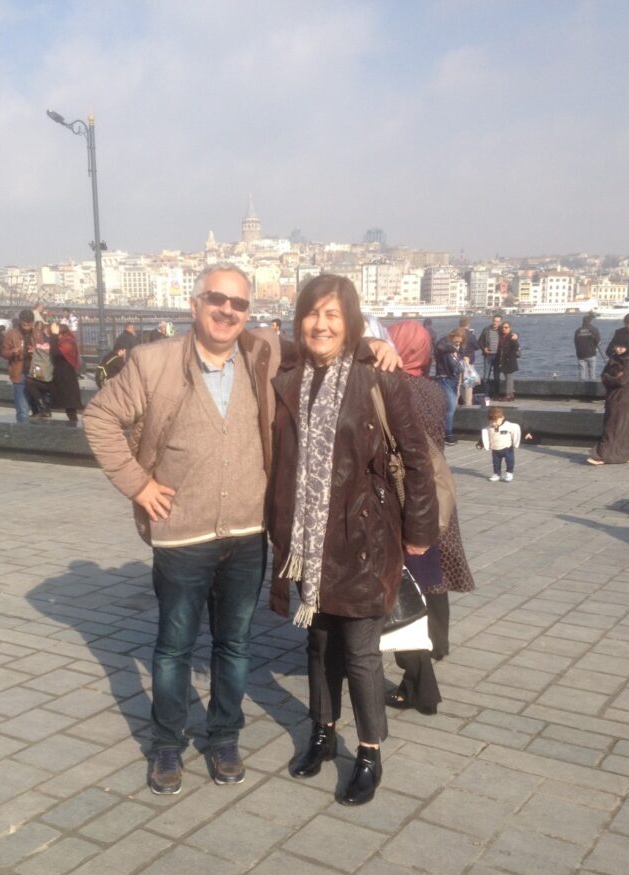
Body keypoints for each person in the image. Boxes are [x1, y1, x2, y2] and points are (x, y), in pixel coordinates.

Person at [83, 263, 400, 796]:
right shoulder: (151, 361)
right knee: (173, 647)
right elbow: (98, 418)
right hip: (181, 535)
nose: (228, 311)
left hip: (249, 533)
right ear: (194, 304)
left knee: (234, 645)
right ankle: (167, 745)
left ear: (248, 314)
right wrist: (138, 485)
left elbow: (327, 345)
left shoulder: (262, 353)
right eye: (217, 300)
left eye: (239, 304)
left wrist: (374, 346)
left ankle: (224, 737)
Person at [268, 275, 438, 806]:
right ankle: (322, 730)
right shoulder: (288, 375)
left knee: (362, 651)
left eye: (334, 316)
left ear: (352, 322)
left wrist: (419, 532)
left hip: (362, 535)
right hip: (307, 540)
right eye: (312, 314)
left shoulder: (378, 378)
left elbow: (416, 456)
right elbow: (253, 342)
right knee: (318, 641)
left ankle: (368, 751)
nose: (321, 325)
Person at [385, 320, 475, 710]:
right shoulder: (435, 391)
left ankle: (420, 683)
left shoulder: (393, 389)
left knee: (408, 586)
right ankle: (437, 645)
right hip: (438, 498)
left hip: (408, 499)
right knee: (432, 582)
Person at [587, 340, 629, 466]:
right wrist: (613, 377)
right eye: (617, 346)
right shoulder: (614, 358)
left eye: (622, 346)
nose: (619, 349)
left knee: (612, 425)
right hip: (612, 396)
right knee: (622, 425)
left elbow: (623, 380)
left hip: (624, 398)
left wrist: (610, 378)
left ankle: (601, 454)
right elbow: (603, 376)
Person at [1, 308, 34, 422]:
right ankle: (22, 433)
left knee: (34, 409)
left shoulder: (37, 334)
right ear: (20, 322)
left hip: (35, 374)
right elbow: (4, 352)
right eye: (24, 324)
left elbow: (46, 350)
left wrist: (36, 351)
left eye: (29, 325)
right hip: (19, 373)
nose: (26, 327)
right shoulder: (11, 334)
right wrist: (12, 352)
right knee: (22, 410)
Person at [434, 326, 465, 444]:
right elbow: (439, 347)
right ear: (453, 336)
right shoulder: (444, 342)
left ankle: (441, 431)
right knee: (451, 406)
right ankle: (448, 433)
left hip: (454, 379)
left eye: (461, 339)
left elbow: (459, 358)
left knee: (447, 406)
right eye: (457, 339)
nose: (459, 342)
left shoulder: (459, 346)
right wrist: (452, 347)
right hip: (444, 377)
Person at [478, 406, 521, 481]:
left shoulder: (508, 426)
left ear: (502, 417)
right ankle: (497, 474)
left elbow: (516, 431)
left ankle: (509, 473)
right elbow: (485, 436)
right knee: (496, 462)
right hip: (495, 449)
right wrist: (480, 444)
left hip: (507, 448)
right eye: (491, 421)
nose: (494, 423)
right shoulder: (489, 428)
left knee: (509, 461)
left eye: (496, 421)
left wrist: (515, 442)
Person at [50, 323, 82, 425]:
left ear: (62, 333)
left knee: (70, 406)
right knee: (69, 406)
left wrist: (54, 336)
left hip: (66, 377)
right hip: (62, 375)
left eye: (57, 334)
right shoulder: (65, 340)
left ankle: (74, 427)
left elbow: (55, 352)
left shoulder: (68, 341)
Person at [25, 321, 54, 418]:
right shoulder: (35, 338)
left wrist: (36, 350)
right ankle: (41, 409)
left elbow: (44, 351)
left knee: (31, 383)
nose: (38, 332)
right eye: (37, 329)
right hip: (40, 368)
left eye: (40, 329)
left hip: (42, 369)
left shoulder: (47, 340)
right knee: (34, 384)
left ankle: (43, 408)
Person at [478, 313, 502, 396]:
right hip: (488, 356)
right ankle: (486, 394)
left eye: (498, 322)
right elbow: (479, 341)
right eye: (495, 321)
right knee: (486, 376)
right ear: (492, 321)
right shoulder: (486, 330)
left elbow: (511, 332)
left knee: (497, 376)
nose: (496, 323)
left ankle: (496, 394)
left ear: (500, 322)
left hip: (498, 356)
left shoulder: (502, 330)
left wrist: (516, 335)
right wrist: (484, 348)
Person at [497, 321, 520, 401]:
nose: (504, 329)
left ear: (509, 328)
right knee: (508, 378)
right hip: (504, 360)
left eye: (506, 327)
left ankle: (508, 395)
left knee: (509, 378)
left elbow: (516, 346)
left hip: (510, 361)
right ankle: (511, 394)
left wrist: (510, 356)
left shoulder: (511, 336)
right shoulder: (502, 336)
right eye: (503, 327)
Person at [574, 313, 601, 381]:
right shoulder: (594, 329)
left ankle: (581, 389)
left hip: (581, 354)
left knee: (582, 374)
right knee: (592, 374)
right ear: (590, 321)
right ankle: (591, 390)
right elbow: (598, 341)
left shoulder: (578, 331)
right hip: (591, 353)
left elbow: (576, 342)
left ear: (582, 321)